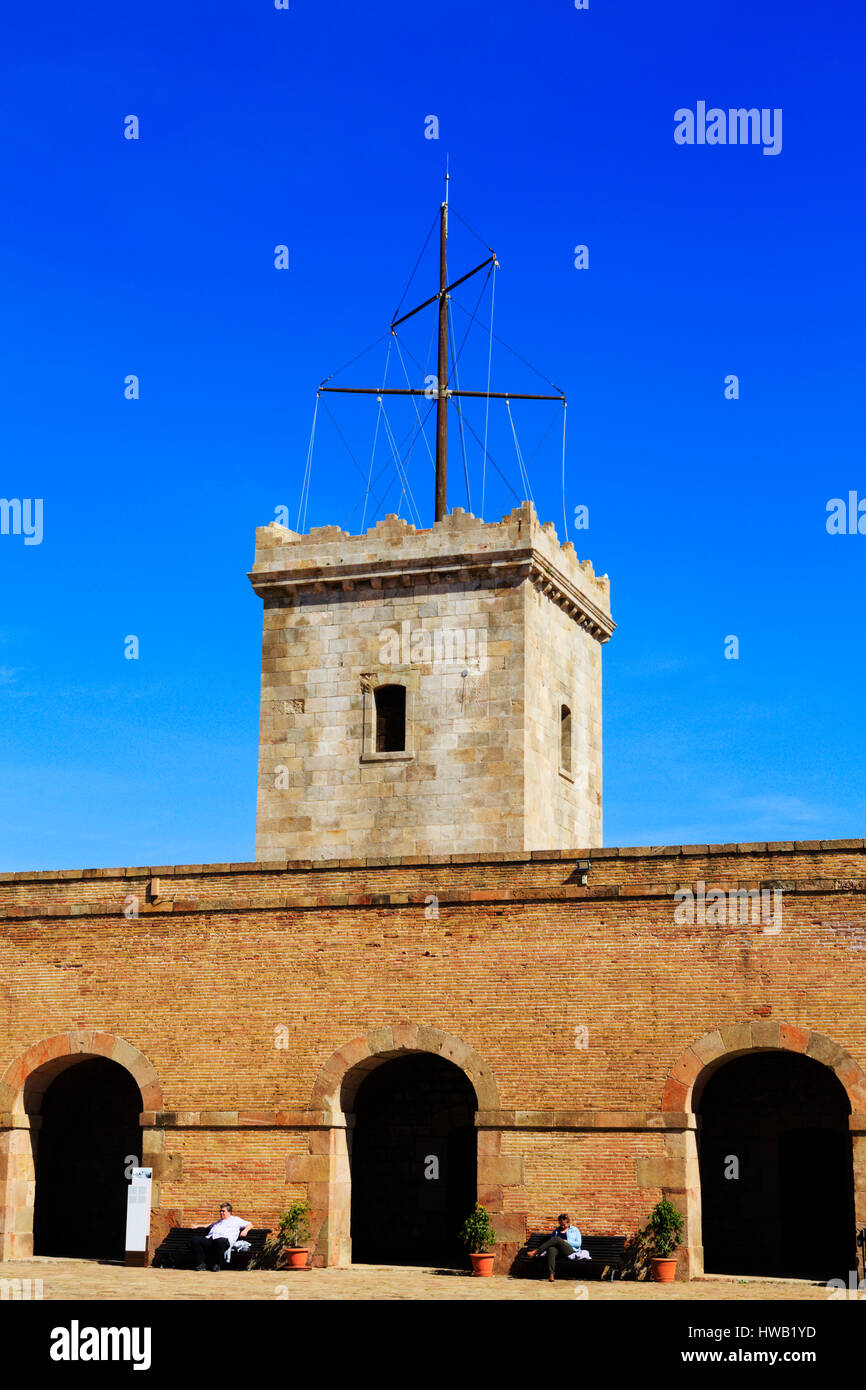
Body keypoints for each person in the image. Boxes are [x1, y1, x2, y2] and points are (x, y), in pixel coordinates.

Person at [190, 1202, 252, 1271]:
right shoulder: (219, 1221)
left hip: (224, 1241)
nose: (221, 1213)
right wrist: (197, 1226)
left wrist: (245, 1230)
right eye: (220, 1211)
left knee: (220, 1241)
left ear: (229, 1212)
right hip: (212, 1240)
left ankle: (218, 1265)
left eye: (223, 1211)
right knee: (195, 1239)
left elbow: (250, 1224)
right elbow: (209, 1225)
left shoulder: (236, 1220)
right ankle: (201, 1264)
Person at [526, 1212, 582, 1282]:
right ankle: (551, 1274)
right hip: (558, 1252)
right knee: (551, 1249)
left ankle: (536, 1251)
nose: (562, 1226)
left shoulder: (574, 1230)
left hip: (569, 1250)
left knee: (557, 1239)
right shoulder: (556, 1231)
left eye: (564, 1224)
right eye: (561, 1224)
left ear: (568, 1222)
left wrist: (567, 1242)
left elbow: (578, 1244)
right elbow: (551, 1242)